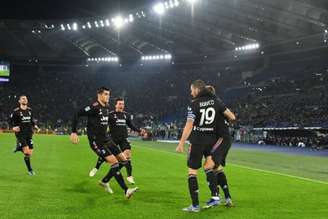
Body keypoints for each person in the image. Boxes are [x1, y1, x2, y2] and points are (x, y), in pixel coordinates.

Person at [70, 87, 138, 198]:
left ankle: (105, 181)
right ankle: (126, 190)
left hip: (107, 139)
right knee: (114, 163)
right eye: (106, 94)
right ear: (100, 95)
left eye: (109, 94)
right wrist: (73, 131)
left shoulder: (106, 107)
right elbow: (77, 113)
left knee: (124, 160)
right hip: (97, 141)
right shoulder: (94, 107)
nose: (108, 96)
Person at [176, 80, 221, 212]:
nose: (191, 92)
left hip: (197, 140)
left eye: (192, 90)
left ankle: (195, 206)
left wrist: (181, 143)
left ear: (197, 89)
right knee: (209, 167)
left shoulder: (194, 104)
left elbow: (189, 125)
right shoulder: (215, 101)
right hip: (211, 140)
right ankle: (215, 197)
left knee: (192, 172)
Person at [89, 98, 145, 185]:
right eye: (119, 104)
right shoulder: (110, 115)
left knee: (127, 156)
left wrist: (139, 131)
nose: (121, 105)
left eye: (122, 104)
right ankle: (96, 168)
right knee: (105, 156)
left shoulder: (127, 115)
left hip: (123, 139)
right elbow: (102, 123)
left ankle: (129, 176)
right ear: (115, 105)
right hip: (112, 139)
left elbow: (131, 125)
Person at [206, 85, 236, 207]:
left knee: (209, 166)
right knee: (216, 168)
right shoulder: (217, 104)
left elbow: (232, 117)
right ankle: (227, 198)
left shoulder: (215, 103)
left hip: (221, 139)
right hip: (222, 139)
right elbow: (232, 117)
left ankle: (216, 197)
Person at [9, 95, 39, 175]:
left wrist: (35, 126)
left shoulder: (30, 110)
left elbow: (32, 120)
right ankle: (30, 170)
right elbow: (10, 122)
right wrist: (13, 127)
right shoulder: (16, 111)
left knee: (30, 153)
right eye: (23, 99)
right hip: (20, 134)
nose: (24, 100)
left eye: (26, 99)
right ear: (19, 101)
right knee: (27, 152)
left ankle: (19, 148)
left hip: (29, 133)